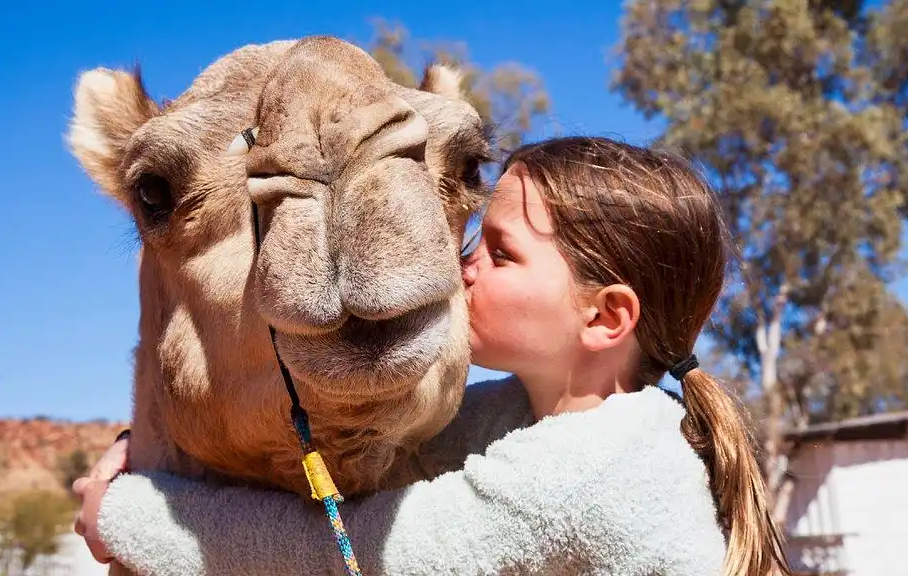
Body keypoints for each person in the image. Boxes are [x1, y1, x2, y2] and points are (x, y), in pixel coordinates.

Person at [72, 136, 790, 575]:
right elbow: (354, 442)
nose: (461, 263)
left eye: (501, 254)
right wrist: (143, 445)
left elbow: (341, 557)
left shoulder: (598, 462)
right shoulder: (519, 418)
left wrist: (125, 515)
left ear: (604, 317)